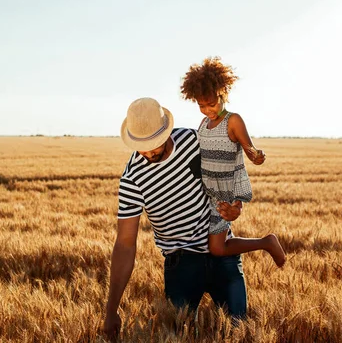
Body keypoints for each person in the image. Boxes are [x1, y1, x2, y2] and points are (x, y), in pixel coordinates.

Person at [103, 97, 247, 340]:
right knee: (178, 335)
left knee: (240, 332)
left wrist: (236, 204)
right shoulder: (132, 178)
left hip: (223, 257)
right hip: (182, 264)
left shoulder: (194, 142)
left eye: (154, 143)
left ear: (166, 131)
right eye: (141, 146)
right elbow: (125, 244)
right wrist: (111, 309)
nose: (148, 152)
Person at [180, 56, 286, 267]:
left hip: (223, 194)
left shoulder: (233, 121)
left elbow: (249, 151)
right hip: (204, 191)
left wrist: (257, 156)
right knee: (201, 242)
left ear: (223, 93)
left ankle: (266, 242)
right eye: (202, 105)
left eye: (211, 104)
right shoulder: (203, 123)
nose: (208, 110)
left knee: (217, 248)